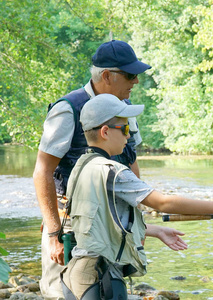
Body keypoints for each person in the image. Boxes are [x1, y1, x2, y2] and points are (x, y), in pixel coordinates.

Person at [60, 94, 213, 299]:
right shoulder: (113, 171)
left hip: (78, 273)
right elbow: (162, 203)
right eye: (126, 129)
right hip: (99, 277)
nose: (129, 136)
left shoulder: (82, 165)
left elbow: (100, 223)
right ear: (105, 131)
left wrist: (154, 230)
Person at [33, 40, 151, 299]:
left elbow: (131, 164)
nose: (136, 82)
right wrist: (54, 233)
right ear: (107, 75)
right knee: (60, 293)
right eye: (131, 75)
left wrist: (137, 225)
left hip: (113, 229)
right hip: (69, 226)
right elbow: (42, 172)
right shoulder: (67, 109)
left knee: (109, 292)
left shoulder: (125, 110)